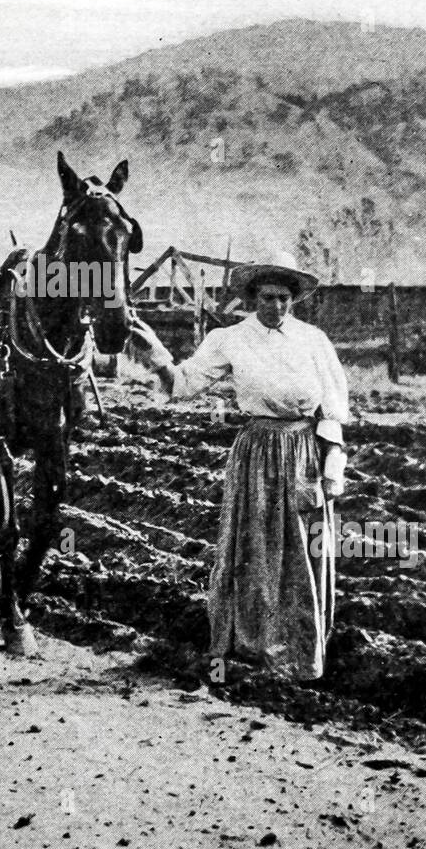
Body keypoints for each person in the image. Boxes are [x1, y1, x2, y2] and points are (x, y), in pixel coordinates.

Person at [130, 252, 348, 681]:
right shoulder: (229, 339)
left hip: (304, 451)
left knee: (303, 550)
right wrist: (155, 354)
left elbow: (333, 411)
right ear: (251, 297)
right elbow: (183, 383)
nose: (276, 306)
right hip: (256, 454)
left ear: (294, 299)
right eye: (267, 297)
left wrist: (332, 470)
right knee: (252, 551)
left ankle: (301, 656)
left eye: (284, 298)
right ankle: (249, 649)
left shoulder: (313, 340)